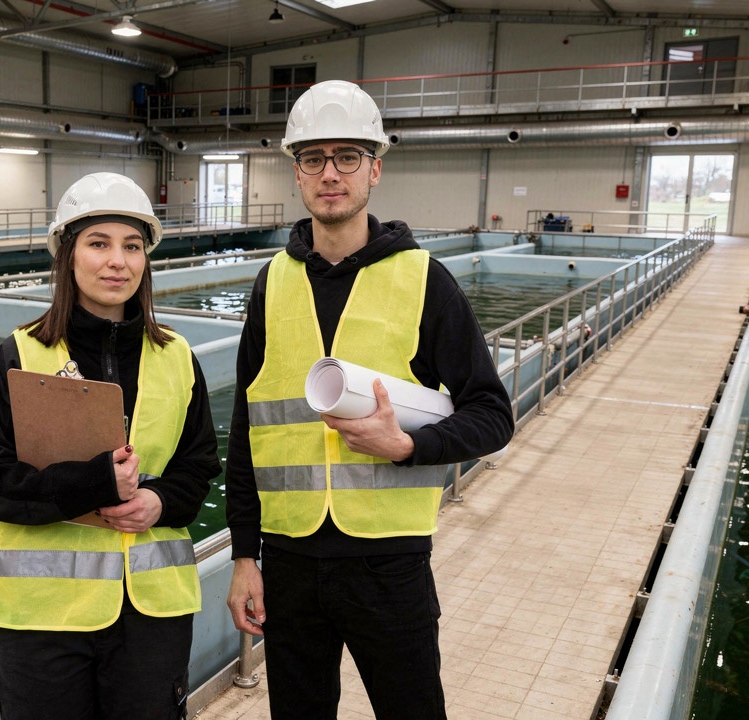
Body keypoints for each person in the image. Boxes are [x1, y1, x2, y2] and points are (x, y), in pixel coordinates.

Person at [224, 80, 514, 719]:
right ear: (296, 172)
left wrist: (410, 444)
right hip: (290, 561)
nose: (330, 174)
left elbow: (493, 414)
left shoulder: (423, 280)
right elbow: (245, 433)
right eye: (313, 158)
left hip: (389, 562)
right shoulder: (270, 285)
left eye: (347, 157)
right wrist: (246, 557)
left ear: (375, 169)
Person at [0, 172, 222, 720]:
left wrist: (160, 503)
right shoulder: (20, 356)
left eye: (132, 246)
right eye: (99, 244)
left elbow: (199, 467)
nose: (118, 262)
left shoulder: (177, 357)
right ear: (68, 255)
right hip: (42, 621)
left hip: (152, 615)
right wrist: (94, 483)